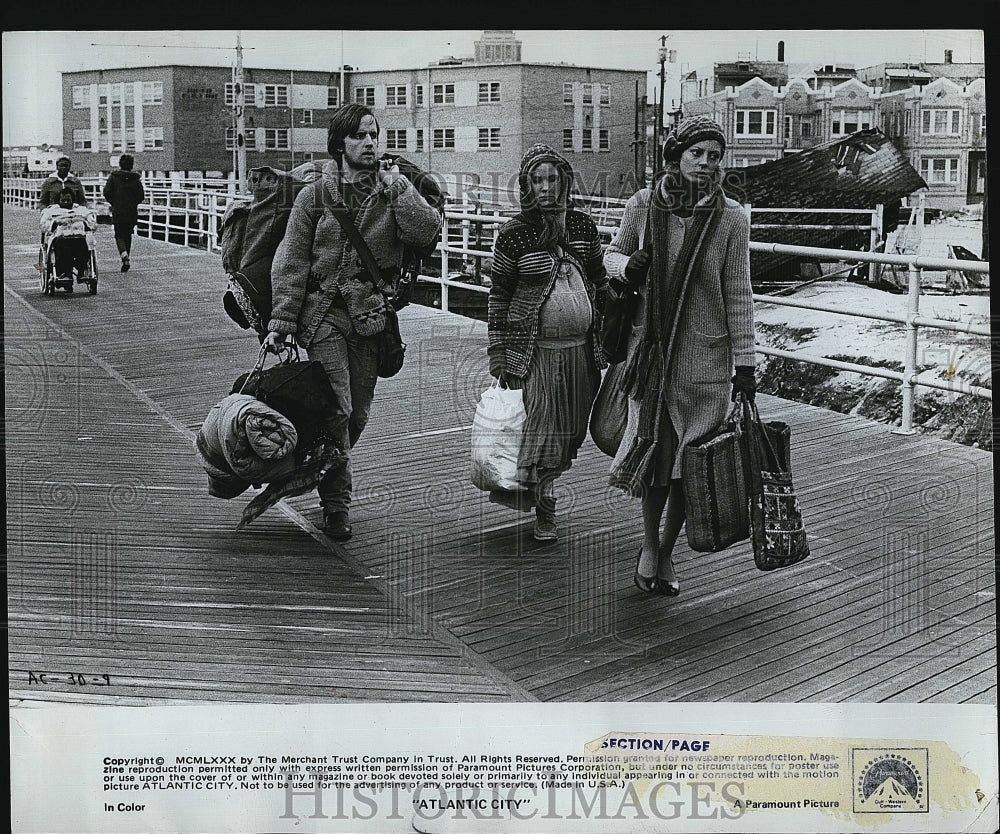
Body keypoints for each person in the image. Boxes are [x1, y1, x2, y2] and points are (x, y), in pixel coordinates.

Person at [266, 103, 442, 541]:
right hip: (322, 315)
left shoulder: (391, 190)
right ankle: (337, 507)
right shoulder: (315, 195)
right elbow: (291, 259)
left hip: (370, 318)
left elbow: (426, 233)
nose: (369, 143)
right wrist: (282, 319)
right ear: (339, 144)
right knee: (338, 408)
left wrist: (399, 188)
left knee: (356, 415)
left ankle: (313, 464)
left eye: (374, 135)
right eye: (360, 136)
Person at [603, 115, 756, 596]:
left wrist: (746, 364)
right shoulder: (644, 206)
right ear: (677, 155)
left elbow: (738, 292)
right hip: (652, 361)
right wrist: (629, 266)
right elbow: (609, 256)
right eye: (698, 154)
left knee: (695, 466)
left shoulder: (731, 218)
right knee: (658, 461)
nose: (707, 164)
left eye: (715, 156)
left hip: (705, 364)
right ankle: (651, 546)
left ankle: (667, 549)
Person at [487, 144, 609, 542]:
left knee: (572, 431)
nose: (545, 188)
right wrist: (499, 353)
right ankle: (546, 510)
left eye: (552, 179)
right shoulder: (514, 234)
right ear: (525, 185)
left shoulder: (583, 227)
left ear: (565, 180)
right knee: (544, 430)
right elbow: (499, 294)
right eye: (536, 180)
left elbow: (600, 278)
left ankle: (544, 486)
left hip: (581, 351)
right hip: (534, 352)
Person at [40, 188, 97, 281]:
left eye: (68, 200)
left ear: (72, 200)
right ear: (59, 201)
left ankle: (81, 271)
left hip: (79, 237)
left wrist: (86, 225)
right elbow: (43, 226)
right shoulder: (51, 211)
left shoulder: (81, 210)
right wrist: (53, 224)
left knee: (85, 246)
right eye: (63, 200)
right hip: (60, 238)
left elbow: (93, 224)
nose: (66, 202)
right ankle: (66, 273)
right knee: (62, 248)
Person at [103, 154, 145, 272]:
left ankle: (123, 255)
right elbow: (141, 196)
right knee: (128, 235)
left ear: (120, 164)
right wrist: (133, 203)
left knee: (119, 234)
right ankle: (126, 257)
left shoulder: (114, 177)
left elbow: (107, 192)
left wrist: (114, 202)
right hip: (131, 211)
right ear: (131, 165)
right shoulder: (136, 179)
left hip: (118, 210)